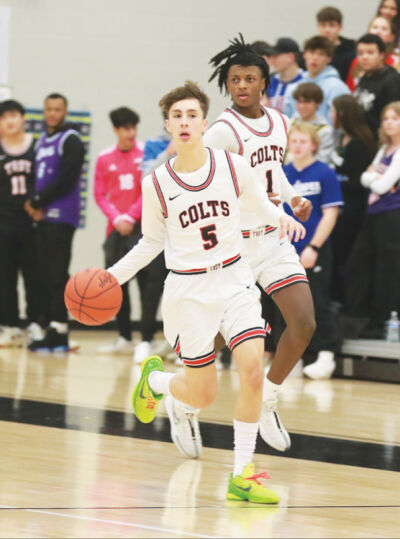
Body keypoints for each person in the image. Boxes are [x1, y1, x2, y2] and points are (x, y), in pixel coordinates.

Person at [107, 81, 305, 503]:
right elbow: (149, 243)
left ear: (204, 122)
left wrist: (283, 217)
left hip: (234, 279)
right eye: (177, 116)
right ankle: (158, 382)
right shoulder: (157, 183)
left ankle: (241, 475)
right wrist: (112, 277)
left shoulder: (233, 166)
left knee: (252, 369)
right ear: (167, 125)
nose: (184, 122)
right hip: (190, 291)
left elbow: (260, 203)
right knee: (204, 393)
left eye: (191, 115)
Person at [204, 35, 315, 452]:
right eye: (235, 80)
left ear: (264, 82)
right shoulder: (221, 132)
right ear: (227, 85)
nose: (242, 86)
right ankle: (185, 401)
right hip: (235, 248)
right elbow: (204, 185)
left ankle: (268, 397)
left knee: (303, 323)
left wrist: (292, 198)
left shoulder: (280, 122)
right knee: (215, 339)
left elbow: (274, 173)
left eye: (250, 78)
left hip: (273, 240)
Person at [283, 123, 343, 379]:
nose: (297, 146)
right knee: (286, 307)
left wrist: (314, 247)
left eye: (302, 141)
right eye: (293, 141)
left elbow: (331, 213)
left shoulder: (324, 173)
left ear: (313, 145)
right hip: (284, 251)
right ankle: (292, 358)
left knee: (317, 301)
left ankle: (326, 355)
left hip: (313, 249)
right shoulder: (281, 173)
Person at [26, 93, 84, 352]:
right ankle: (49, 324)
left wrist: (38, 201)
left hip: (62, 217)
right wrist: (33, 204)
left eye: (57, 109)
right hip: (43, 217)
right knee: (43, 274)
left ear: (65, 111)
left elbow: (67, 178)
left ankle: (60, 329)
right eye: (48, 109)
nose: (52, 113)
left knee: (57, 273)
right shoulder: (42, 142)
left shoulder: (70, 140)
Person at [94, 106, 153, 356]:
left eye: (133, 128)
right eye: (125, 128)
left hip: (141, 229)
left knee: (145, 284)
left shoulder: (146, 155)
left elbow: (148, 191)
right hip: (115, 231)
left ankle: (146, 339)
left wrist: (131, 215)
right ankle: (124, 336)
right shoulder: (104, 158)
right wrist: (117, 217)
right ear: (116, 130)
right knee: (116, 284)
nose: (131, 133)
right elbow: (99, 194)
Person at [345, 101, 400, 339]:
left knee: (387, 270)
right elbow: (363, 177)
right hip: (375, 214)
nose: (389, 123)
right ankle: (367, 318)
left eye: (395, 118)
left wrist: (375, 178)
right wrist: (375, 178)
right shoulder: (384, 148)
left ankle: (385, 320)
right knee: (362, 265)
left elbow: (381, 183)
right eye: (386, 118)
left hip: (391, 216)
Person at [0, 100, 42, 347]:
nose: (9, 121)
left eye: (13, 115)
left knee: (34, 278)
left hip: (31, 224)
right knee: (5, 279)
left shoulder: (37, 147)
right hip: (4, 224)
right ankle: (10, 325)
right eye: (4, 117)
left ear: (23, 118)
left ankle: (35, 323)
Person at [330, 95, 376, 304]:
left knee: (346, 257)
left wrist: (333, 180)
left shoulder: (357, 143)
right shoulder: (343, 138)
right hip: (342, 206)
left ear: (342, 114)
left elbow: (357, 181)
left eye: (333, 110)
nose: (330, 115)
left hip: (352, 209)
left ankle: (348, 305)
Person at [284, 36, 350, 123]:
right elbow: (288, 118)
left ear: (329, 58)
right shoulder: (294, 86)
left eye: (321, 54)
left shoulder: (338, 87)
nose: (315, 58)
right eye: (311, 53)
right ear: (304, 55)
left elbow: (339, 122)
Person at [353, 34, 400, 136]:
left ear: (382, 55)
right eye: (360, 53)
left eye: (370, 53)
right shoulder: (365, 76)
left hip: (379, 139)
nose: (364, 57)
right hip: (361, 136)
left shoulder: (392, 81)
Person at [286, 82, 334, 163]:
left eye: (307, 102)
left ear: (317, 103)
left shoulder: (325, 130)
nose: (301, 106)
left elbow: (323, 160)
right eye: (299, 101)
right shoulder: (290, 123)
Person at [347, 17, 399, 91]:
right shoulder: (357, 61)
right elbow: (350, 89)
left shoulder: (396, 61)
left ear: (392, 37)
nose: (378, 31)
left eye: (384, 29)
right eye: (375, 27)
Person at [316, 6, 356, 82]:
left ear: (340, 27)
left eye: (332, 25)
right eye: (323, 25)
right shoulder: (312, 50)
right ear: (318, 26)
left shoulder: (351, 51)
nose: (327, 30)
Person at [266, 38, 304, 112]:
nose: (272, 61)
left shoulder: (305, 81)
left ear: (291, 57)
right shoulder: (269, 82)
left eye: (276, 56)